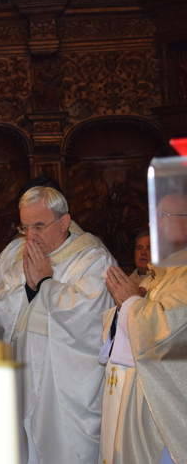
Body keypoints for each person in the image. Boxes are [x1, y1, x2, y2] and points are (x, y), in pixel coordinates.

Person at [0, 186, 116, 464]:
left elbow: (88, 318)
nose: (31, 236)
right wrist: (27, 291)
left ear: (64, 222)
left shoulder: (91, 258)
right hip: (25, 376)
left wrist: (45, 284)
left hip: (67, 386)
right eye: (25, 227)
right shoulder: (23, 257)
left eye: (39, 226)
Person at [100, 193, 187, 464]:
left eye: (162, 218)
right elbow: (114, 336)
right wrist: (124, 307)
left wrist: (132, 304)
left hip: (159, 420)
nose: (154, 227)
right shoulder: (158, 275)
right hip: (131, 402)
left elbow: (167, 332)